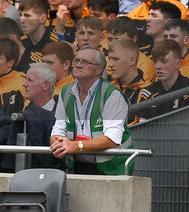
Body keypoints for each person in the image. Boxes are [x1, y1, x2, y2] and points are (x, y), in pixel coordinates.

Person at [50, 46, 131, 175]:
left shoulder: (111, 94)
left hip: (112, 170)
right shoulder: (65, 92)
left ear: (98, 70)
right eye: (76, 61)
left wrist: (75, 146)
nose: (78, 65)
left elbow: (112, 139)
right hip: (78, 166)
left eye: (85, 62)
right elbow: (58, 129)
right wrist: (58, 144)